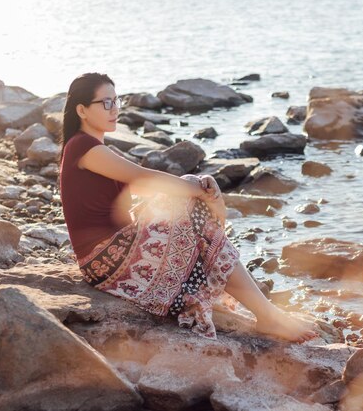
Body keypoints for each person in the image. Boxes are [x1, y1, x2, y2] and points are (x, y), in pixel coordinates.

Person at [57, 72, 319, 343]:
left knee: (191, 194)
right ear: (82, 110)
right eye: (106, 103)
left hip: (114, 249)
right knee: (191, 200)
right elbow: (143, 177)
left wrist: (199, 185)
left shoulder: (92, 147)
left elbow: (134, 199)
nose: (115, 110)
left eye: (117, 101)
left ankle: (265, 311)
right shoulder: (86, 148)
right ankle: (268, 314)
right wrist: (198, 192)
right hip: (105, 260)